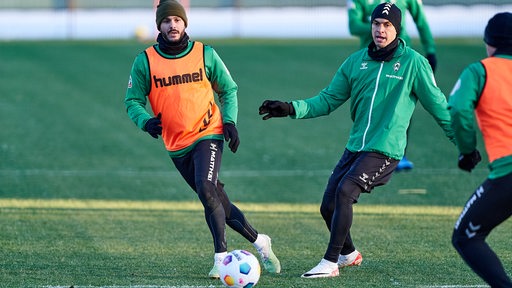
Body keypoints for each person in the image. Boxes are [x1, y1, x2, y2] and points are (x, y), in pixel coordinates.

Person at [259, 3, 453, 278]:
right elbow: (327, 100)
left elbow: (440, 108)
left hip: (386, 148)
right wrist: (291, 108)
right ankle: (349, 254)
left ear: (397, 29)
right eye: (376, 24)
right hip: (356, 146)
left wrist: (465, 143)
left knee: (345, 192)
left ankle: (330, 263)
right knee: (328, 207)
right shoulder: (356, 61)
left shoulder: (414, 63)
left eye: (387, 25)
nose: (380, 30)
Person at [124, 0, 281, 278]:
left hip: (208, 132)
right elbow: (133, 101)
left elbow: (228, 89)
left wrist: (229, 122)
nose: (172, 25)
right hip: (176, 144)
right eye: (166, 21)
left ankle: (221, 258)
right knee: (215, 197)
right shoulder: (145, 60)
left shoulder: (204, 53)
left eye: (177, 20)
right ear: (159, 25)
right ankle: (260, 241)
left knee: (207, 189)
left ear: (185, 23)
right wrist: (145, 121)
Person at [449, 12, 512, 288]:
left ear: (489, 42)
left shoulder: (479, 70)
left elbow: (459, 108)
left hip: (508, 172)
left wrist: (467, 151)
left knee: (465, 237)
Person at [347, 0, 438, 171]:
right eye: (378, 24)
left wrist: (430, 50)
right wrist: (382, 26)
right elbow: (353, 26)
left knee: (401, 106)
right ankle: (364, 150)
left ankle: (399, 155)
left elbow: (421, 21)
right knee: (369, 104)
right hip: (370, 59)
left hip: (402, 60)